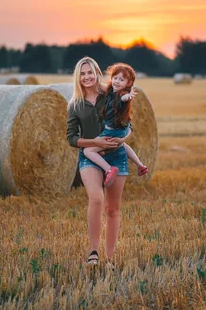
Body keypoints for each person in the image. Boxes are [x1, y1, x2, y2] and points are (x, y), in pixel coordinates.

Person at [66, 57, 132, 267]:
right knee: (96, 199)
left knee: (113, 209)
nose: (86, 77)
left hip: (116, 155)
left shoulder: (111, 95)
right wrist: (94, 141)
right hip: (90, 156)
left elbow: (128, 122)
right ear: (78, 77)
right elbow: (71, 138)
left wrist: (123, 138)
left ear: (97, 73)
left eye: (90, 72)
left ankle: (110, 258)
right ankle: (93, 251)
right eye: (82, 74)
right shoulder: (75, 104)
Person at [82, 63, 148, 188]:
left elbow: (123, 98)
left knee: (88, 151)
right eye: (115, 78)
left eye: (122, 79)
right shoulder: (111, 91)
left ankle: (108, 169)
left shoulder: (121, 94)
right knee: (122, 145)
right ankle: (140, 165)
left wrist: (128, 97)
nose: (117, 82)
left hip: (112, 131)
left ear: (128, 84)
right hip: (121, 129)